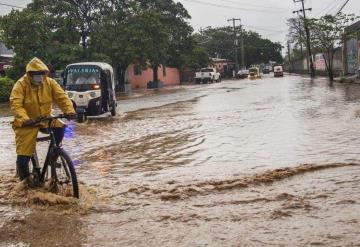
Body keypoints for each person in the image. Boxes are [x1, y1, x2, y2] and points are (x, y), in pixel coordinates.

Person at [9, 57, 76, 183]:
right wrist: (25, 119)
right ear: (29, 74)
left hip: (45, 118)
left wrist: (70, 111)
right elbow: (16, 104)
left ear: (45, 73)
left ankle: (54, 155)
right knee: (23, 157)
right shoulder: (21, 85)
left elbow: (62, 97)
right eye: (36, 74)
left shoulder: (50, 83)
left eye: (42, 74)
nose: (39, 77)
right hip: (27, 123)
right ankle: (25, 183)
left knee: (61, 127)